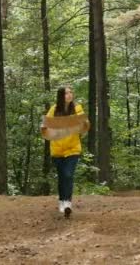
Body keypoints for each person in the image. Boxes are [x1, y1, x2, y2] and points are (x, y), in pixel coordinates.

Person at [42, 86, 88, 218]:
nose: (69, 95)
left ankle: (68, 203)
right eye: (66, 93)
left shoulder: (77, 108)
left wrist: (84, 124)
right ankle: (61, 200)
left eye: (70, 92)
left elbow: (85, 124)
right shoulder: (54, 109)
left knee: (68, 175)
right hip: (57, 150)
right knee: (62, 177)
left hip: (73, 148)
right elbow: (46, 126)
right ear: (61, 96)